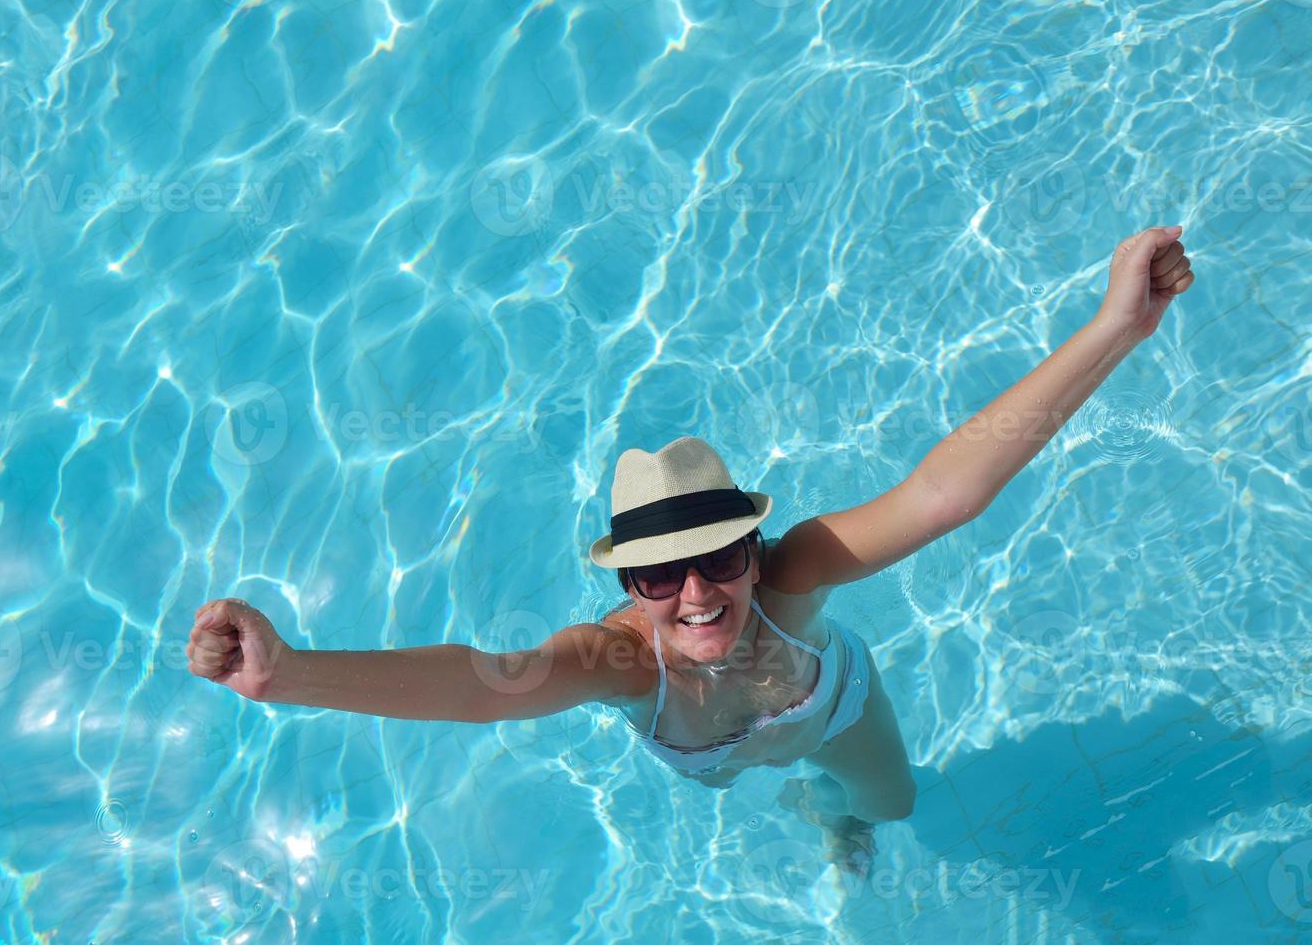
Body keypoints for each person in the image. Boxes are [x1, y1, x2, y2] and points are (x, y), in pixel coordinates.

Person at [187, 225, 1196, 877]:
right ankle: (814, 809)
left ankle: (834, 819)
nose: (695, 591)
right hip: (710, 754)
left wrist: (1113, 327)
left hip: (832, 710)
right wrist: (289, 675)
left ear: (753, 549)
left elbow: (943, 493)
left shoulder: (793, 578)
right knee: (769, 782)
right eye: (657, 573)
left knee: (890, 805)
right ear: (628, 582)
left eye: (717, 556)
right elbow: (478, 683)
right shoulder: (618, 658)